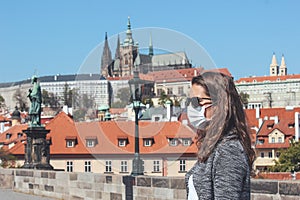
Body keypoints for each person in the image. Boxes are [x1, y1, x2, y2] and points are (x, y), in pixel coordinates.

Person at [185, 71, 255, 200]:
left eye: (196, 101)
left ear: (219, 104)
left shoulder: (229, 150)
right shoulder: (215, 146)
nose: (191, 107)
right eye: (188, 101)